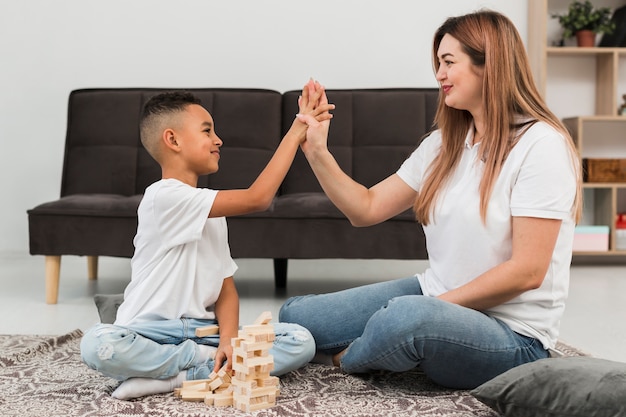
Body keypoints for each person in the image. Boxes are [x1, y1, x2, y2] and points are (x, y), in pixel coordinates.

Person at [280, 10, 582, 390]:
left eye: (448, 62)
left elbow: (528, 270)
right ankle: (391, 345)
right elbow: (366, 208)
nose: (438, 74)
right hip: (433, 295)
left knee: (408, 319)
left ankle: (350, 359)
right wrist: (318, 152)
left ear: (489, 65)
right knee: (298, 316)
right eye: (438, 63)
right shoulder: (443, 144)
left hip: (514, 337)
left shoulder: (542, 145)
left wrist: (432, 309)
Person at [80, 80, 334, 400]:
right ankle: (198, 369)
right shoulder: (163, 197)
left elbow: (226, 291)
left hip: (205, 336)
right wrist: (296, 131)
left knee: (300, 340)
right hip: (147, 333)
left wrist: (228, 342)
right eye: (207, 131)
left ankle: (175, 376)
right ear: (172, 139)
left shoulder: (212, 212)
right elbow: (258, 198)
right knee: (98, 345)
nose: (218, 140)